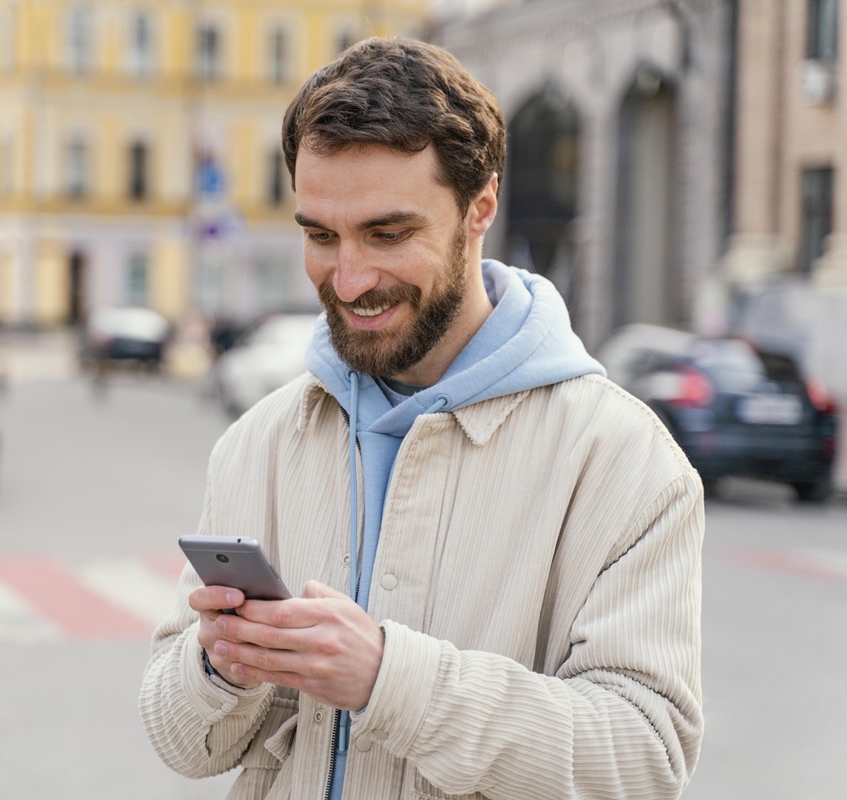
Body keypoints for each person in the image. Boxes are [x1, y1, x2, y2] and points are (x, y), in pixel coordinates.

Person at [140, 37, 703, 800]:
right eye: (319, 235)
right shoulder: (259, 442)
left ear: (481, 208)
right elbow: (182, 745)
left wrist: (388, 678)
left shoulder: (626, 461)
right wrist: (218, 667)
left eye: (388, 233)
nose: (349, 278)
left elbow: (644, 760)